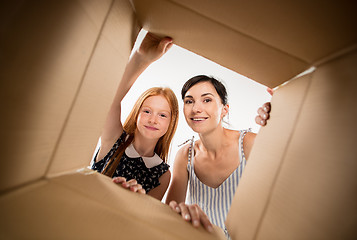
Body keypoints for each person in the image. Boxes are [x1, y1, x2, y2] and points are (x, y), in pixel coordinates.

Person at [165, 75, 271, 235]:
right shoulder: (185, 156)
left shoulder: (249, 144)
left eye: (206, 100)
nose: (195, 109)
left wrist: (278, 120)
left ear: (224, 109)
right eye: (189, 101)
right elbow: (169, 219)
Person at [91, 32, 178, 201]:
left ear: (171, 123)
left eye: (162, 115)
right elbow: (110, 99)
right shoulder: (114, 139)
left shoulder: (163, 175)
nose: (153, 119)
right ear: (137, 113)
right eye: (147, 111)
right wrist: (141, 57)